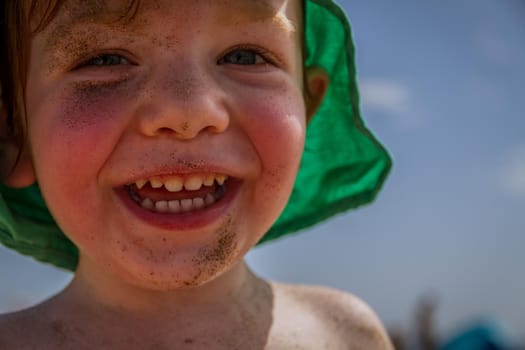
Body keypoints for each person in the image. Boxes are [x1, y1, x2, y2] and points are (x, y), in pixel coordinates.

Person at [0, 0, 393, 348]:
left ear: (308, 111)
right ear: (14, 131)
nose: (188, 111)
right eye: (103, 59)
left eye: (244, 56)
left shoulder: (345, 336)